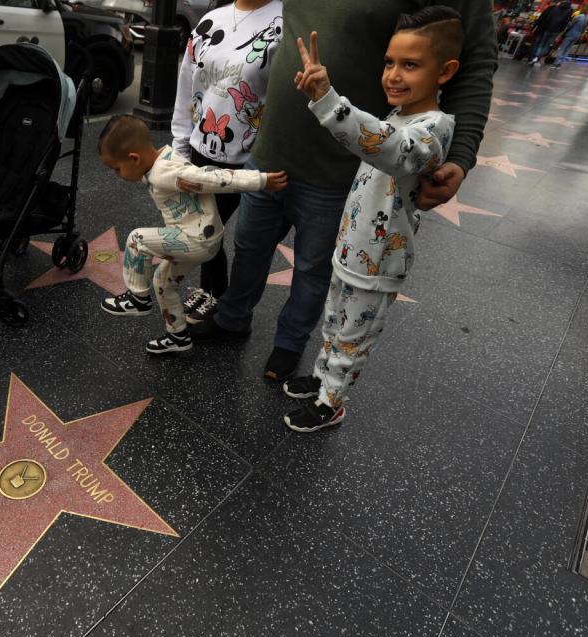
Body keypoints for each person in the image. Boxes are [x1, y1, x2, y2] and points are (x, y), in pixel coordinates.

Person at [190, 0, 496, 383]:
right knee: (249, 248)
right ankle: (232, 318)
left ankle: (289, 343)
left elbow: (475, 60)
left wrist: (462, 153)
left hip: (337, 171)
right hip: (271, 150)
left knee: (311, 270)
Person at [281, 7, 461, 432]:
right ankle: (324, 379)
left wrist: (328, 100)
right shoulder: (398, 114)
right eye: (389, 63)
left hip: (379, 262)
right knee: (332, 322)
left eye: (410, 65)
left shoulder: (434, 128)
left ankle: (332, 403)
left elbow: (393, 149)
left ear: (446, 71)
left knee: (352, 337)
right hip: (352, 249)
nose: (394, 75)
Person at [97, 115, 287, 355]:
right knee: (163, 282)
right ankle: (177, 336)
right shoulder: (166, 158)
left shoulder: (166, 172)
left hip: (196, 240)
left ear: (134, 158)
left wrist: (260, 180)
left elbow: (214, 178)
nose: (118, 175)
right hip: (195, 238)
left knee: (137, 239)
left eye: (117, 169)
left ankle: (137, 298)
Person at [170, 0, 284, 326]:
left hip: (251, 158)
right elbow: (186, 89)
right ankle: (212, 294)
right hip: (201, 148)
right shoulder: (210, 20)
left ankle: (232, 311)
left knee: (244, 241)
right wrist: (179, 149)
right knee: (207, 230)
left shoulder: (286, 22)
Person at [528, 0, 573, 66]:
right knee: (547, 45)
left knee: (541, 44)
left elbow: (548, 18)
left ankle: (534, 58)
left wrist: (546, 26)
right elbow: (565, 22)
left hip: (548, 29)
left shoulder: (556, 8)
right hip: (556, 31)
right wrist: (561, 30)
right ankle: (537, 59)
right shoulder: (570, 10)